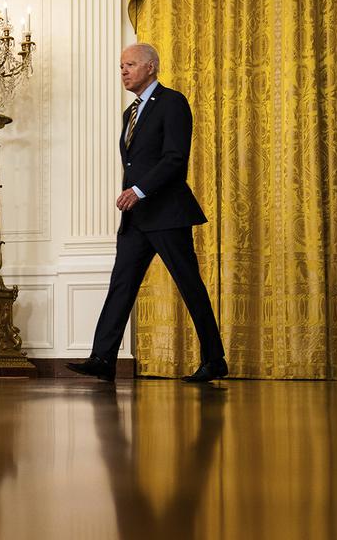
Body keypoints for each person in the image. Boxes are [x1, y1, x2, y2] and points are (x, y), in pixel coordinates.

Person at [67, 43, 227, 383]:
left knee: (190, 286)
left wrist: (138, 191)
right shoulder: (130, 113)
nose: (123, 70)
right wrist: (133, 197)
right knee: (121, 285)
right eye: (121, 65)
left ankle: (215, 360)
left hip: (167, 214)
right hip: (136, 219)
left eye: (130, 64)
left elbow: (174, 159)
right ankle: (103, 359)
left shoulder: (172, 103)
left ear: (151, 67)